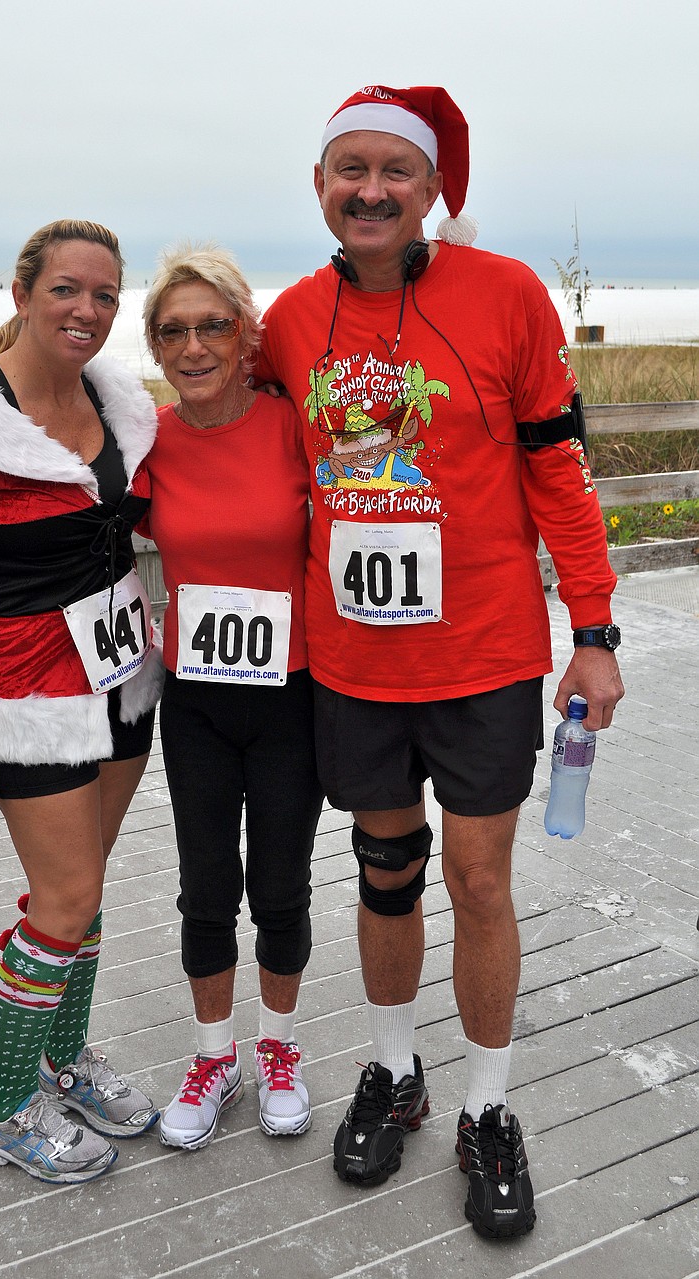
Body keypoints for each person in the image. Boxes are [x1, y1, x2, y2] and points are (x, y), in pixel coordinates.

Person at [256, 86, 624, 1237]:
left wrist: (596, 631)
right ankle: (394, 1069)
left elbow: (558, 472)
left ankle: (487, 1106)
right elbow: (246, 466)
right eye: (346, 168)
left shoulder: (506, 293)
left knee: (477, 880)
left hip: (485, 652)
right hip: (352, 662)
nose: (369, 189)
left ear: (430, 189)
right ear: (319, 184)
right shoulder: (286, 318)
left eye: (392, 172)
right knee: (382, 869)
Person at [0, 219, 165, 1184]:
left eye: (104, 294)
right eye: (66, 290)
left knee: (85, 891)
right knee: (64, 899)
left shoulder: (118, 403)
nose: (86, 310)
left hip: (122, 676)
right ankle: (3, 1107)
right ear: (21, 294)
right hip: (21, 688)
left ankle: (62, 1059)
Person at [134, 243, 324, 1150]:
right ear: (156, 347)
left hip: (293, 694)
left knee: (282, 884)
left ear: (249, 335)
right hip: (197, 699)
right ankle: (215, 1057)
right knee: (207, 887)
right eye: (174, 330)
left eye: (215, 325)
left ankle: (278, 1047)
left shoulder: (295, 424)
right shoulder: (145, 440)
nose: (196, 345)